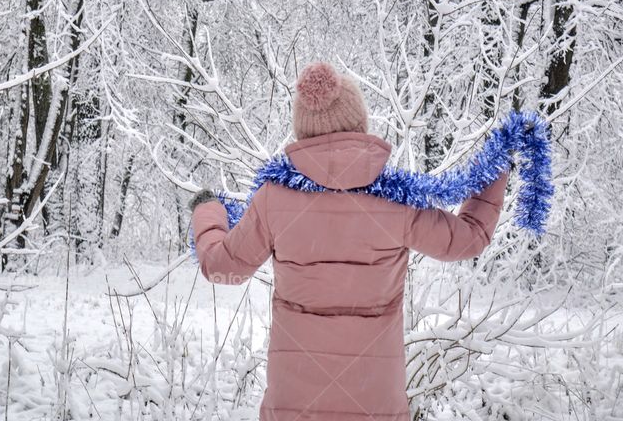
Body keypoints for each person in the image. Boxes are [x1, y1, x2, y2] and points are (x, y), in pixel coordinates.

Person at [189, 61, 510, 421]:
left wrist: (208, 212)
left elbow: (220, 267)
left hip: (294, 404)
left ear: (301, 133)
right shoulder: (394, 200)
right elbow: (466, 239)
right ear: (360, 126)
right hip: (374, 403)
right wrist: (496, 167)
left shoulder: (273, 199)